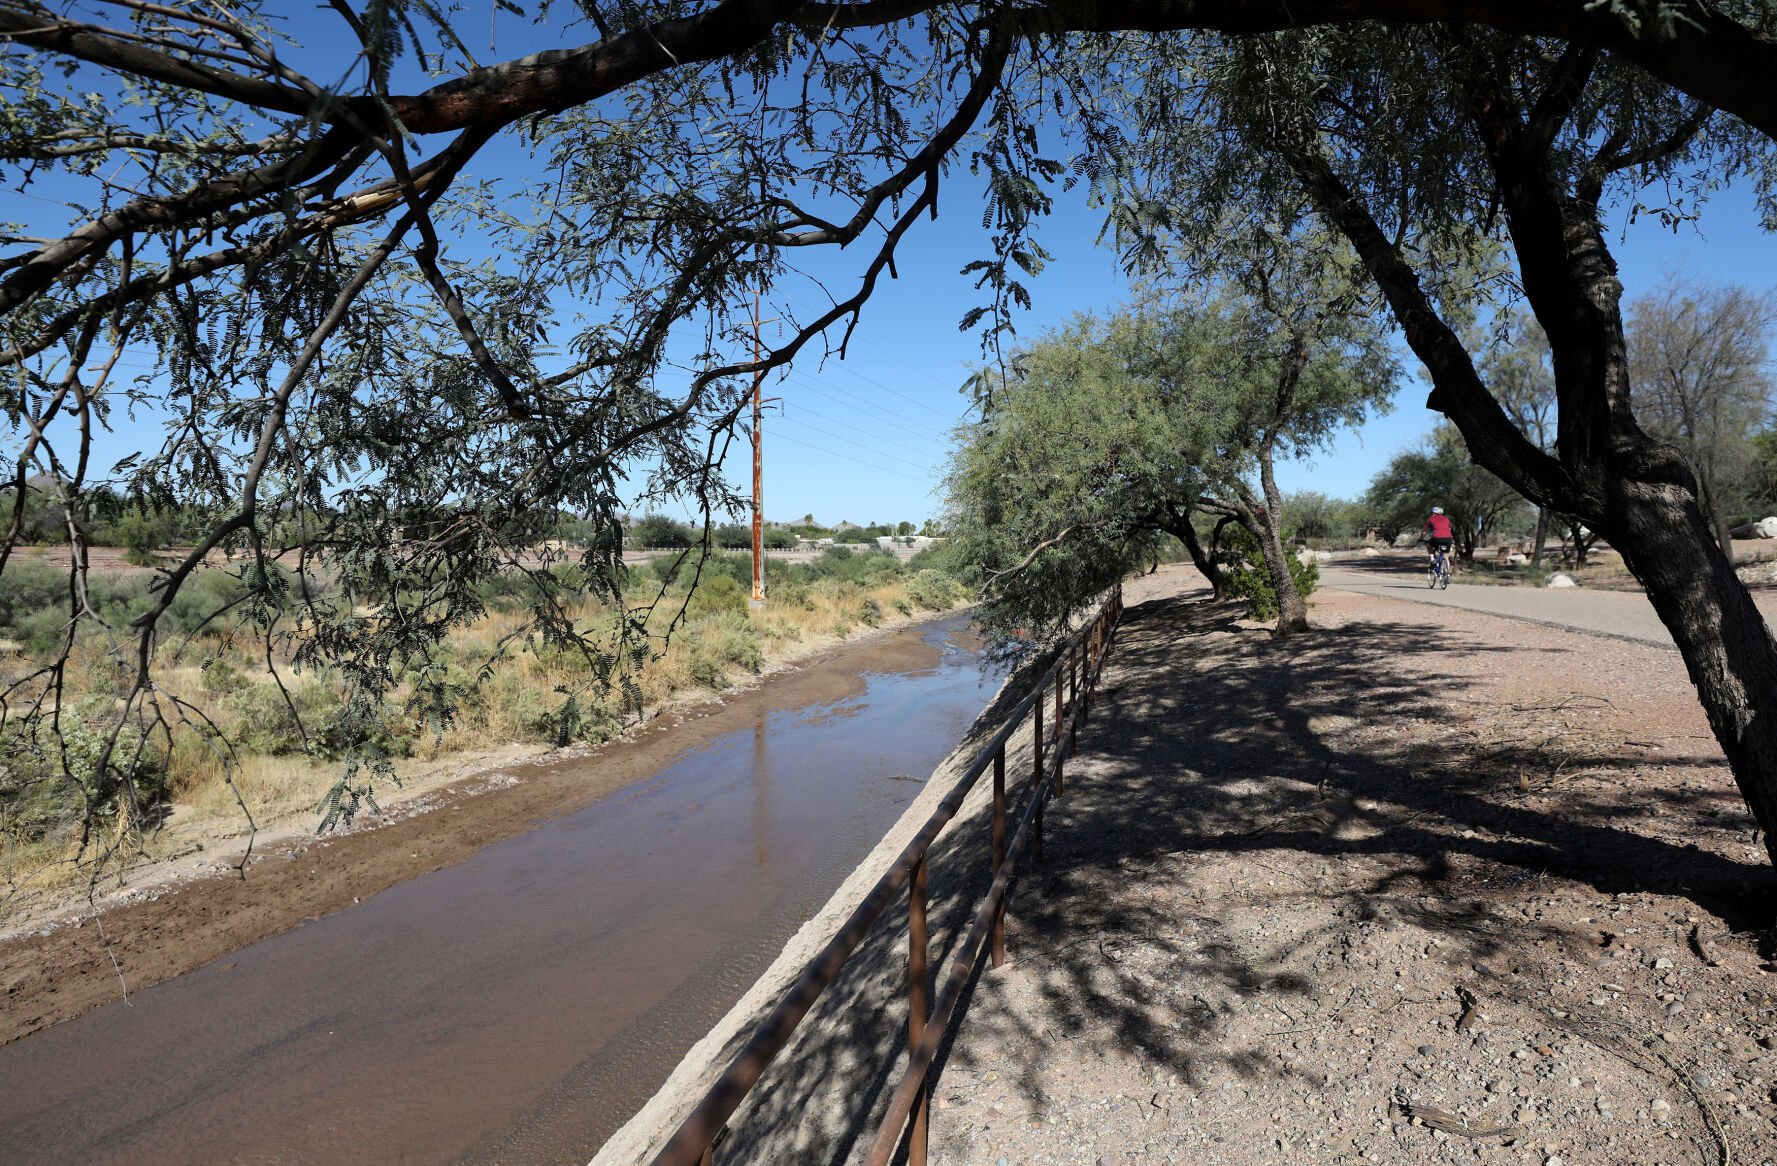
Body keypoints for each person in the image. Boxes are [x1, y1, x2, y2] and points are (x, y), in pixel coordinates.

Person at [1422, 506, 1455, 574]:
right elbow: (1449, 529)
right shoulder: (1446, 519)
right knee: (1445, 556)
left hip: (1437, 538)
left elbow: (1424, 531)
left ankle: (1432, 559)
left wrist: (1421, 538)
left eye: (1431, 513)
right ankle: (1446, 575)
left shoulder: (1430, 519)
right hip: (1448, 539)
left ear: (1434, 513)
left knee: (1428, 545)